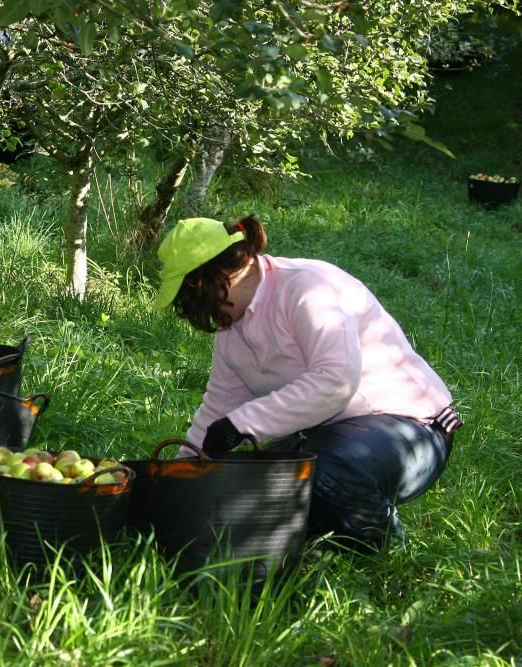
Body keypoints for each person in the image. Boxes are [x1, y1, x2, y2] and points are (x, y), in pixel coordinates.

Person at [153, 216, 461, 551]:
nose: (201, 313)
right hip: (326, 434)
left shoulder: (309, 287)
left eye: (194, 299)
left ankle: (384, 547)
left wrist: (243, 423)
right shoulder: (232, 330)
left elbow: (336, 380)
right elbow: (220, 405)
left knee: (323, 474)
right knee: (248, 487)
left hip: (413, 430)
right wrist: (179, 474)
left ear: (216, 278)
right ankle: (323, 535)